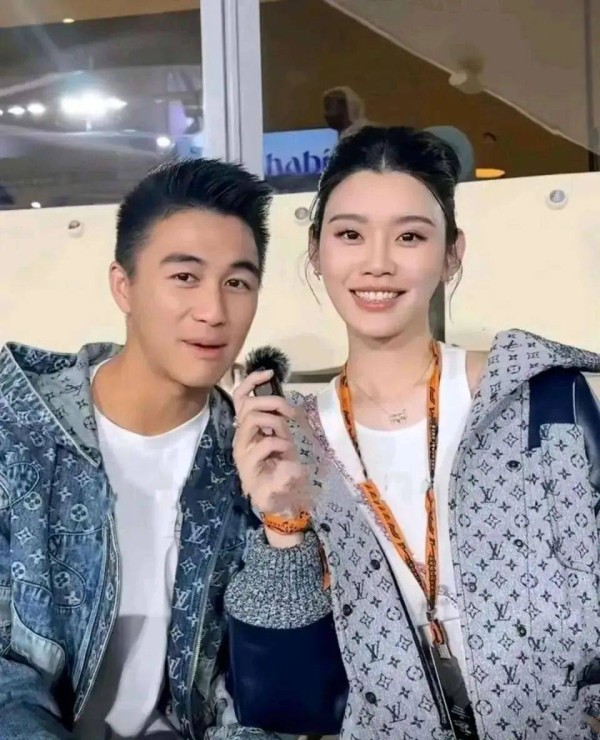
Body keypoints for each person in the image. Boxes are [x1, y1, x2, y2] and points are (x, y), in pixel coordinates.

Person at [226, 126, 600, 739]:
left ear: (452, 253)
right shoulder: (287, 438)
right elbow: (289, 705)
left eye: (410, 236)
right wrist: (282, 527)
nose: (377, 262)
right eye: (350, 235)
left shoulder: (543, 401)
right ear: (316, 251)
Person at [0, 157, 291, 739]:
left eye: (237, 282)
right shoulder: (19, 429)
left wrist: (284, 526)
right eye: (184, 277)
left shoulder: (251, 459)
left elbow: (257, 695)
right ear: (123, 286)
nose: (213, 312)